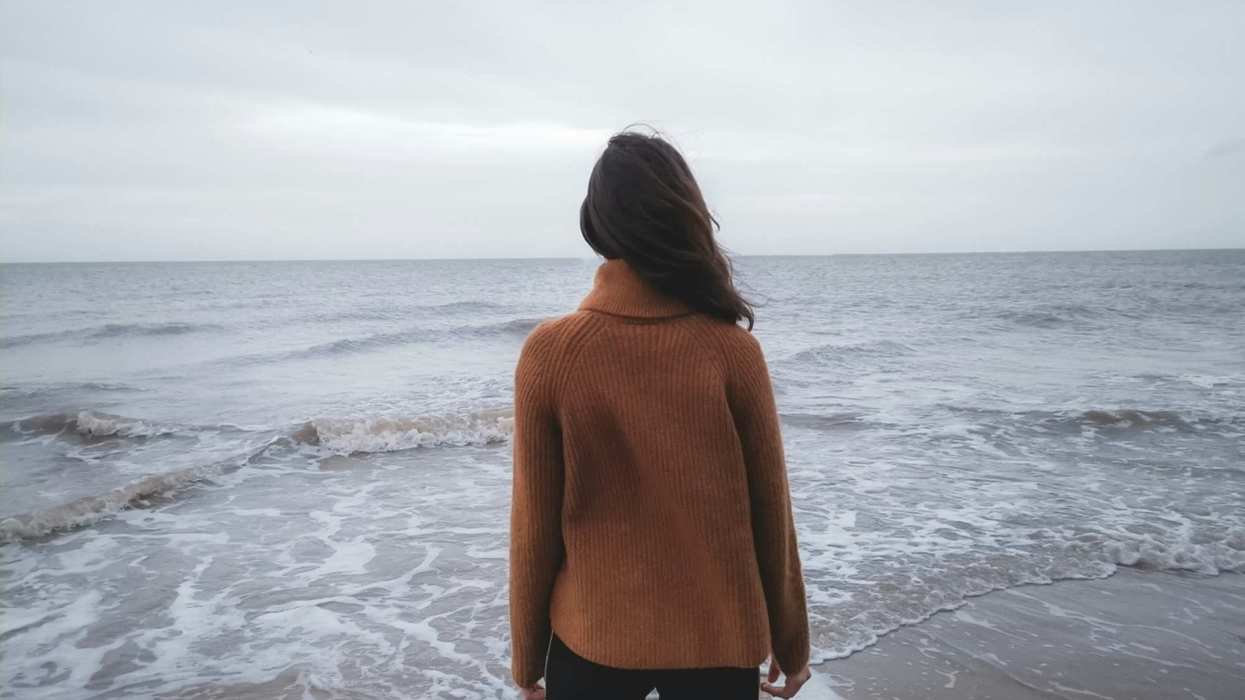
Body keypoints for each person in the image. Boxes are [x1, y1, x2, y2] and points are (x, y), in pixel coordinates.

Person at [508, 129, 811, 699]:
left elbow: (534, 526)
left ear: (595, 224)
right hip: (719, 641)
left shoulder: (550, 353)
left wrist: (526, 660)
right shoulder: (732, 350)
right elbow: (772, 510)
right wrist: (792, 645)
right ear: (686, 218)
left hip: (592, 641)